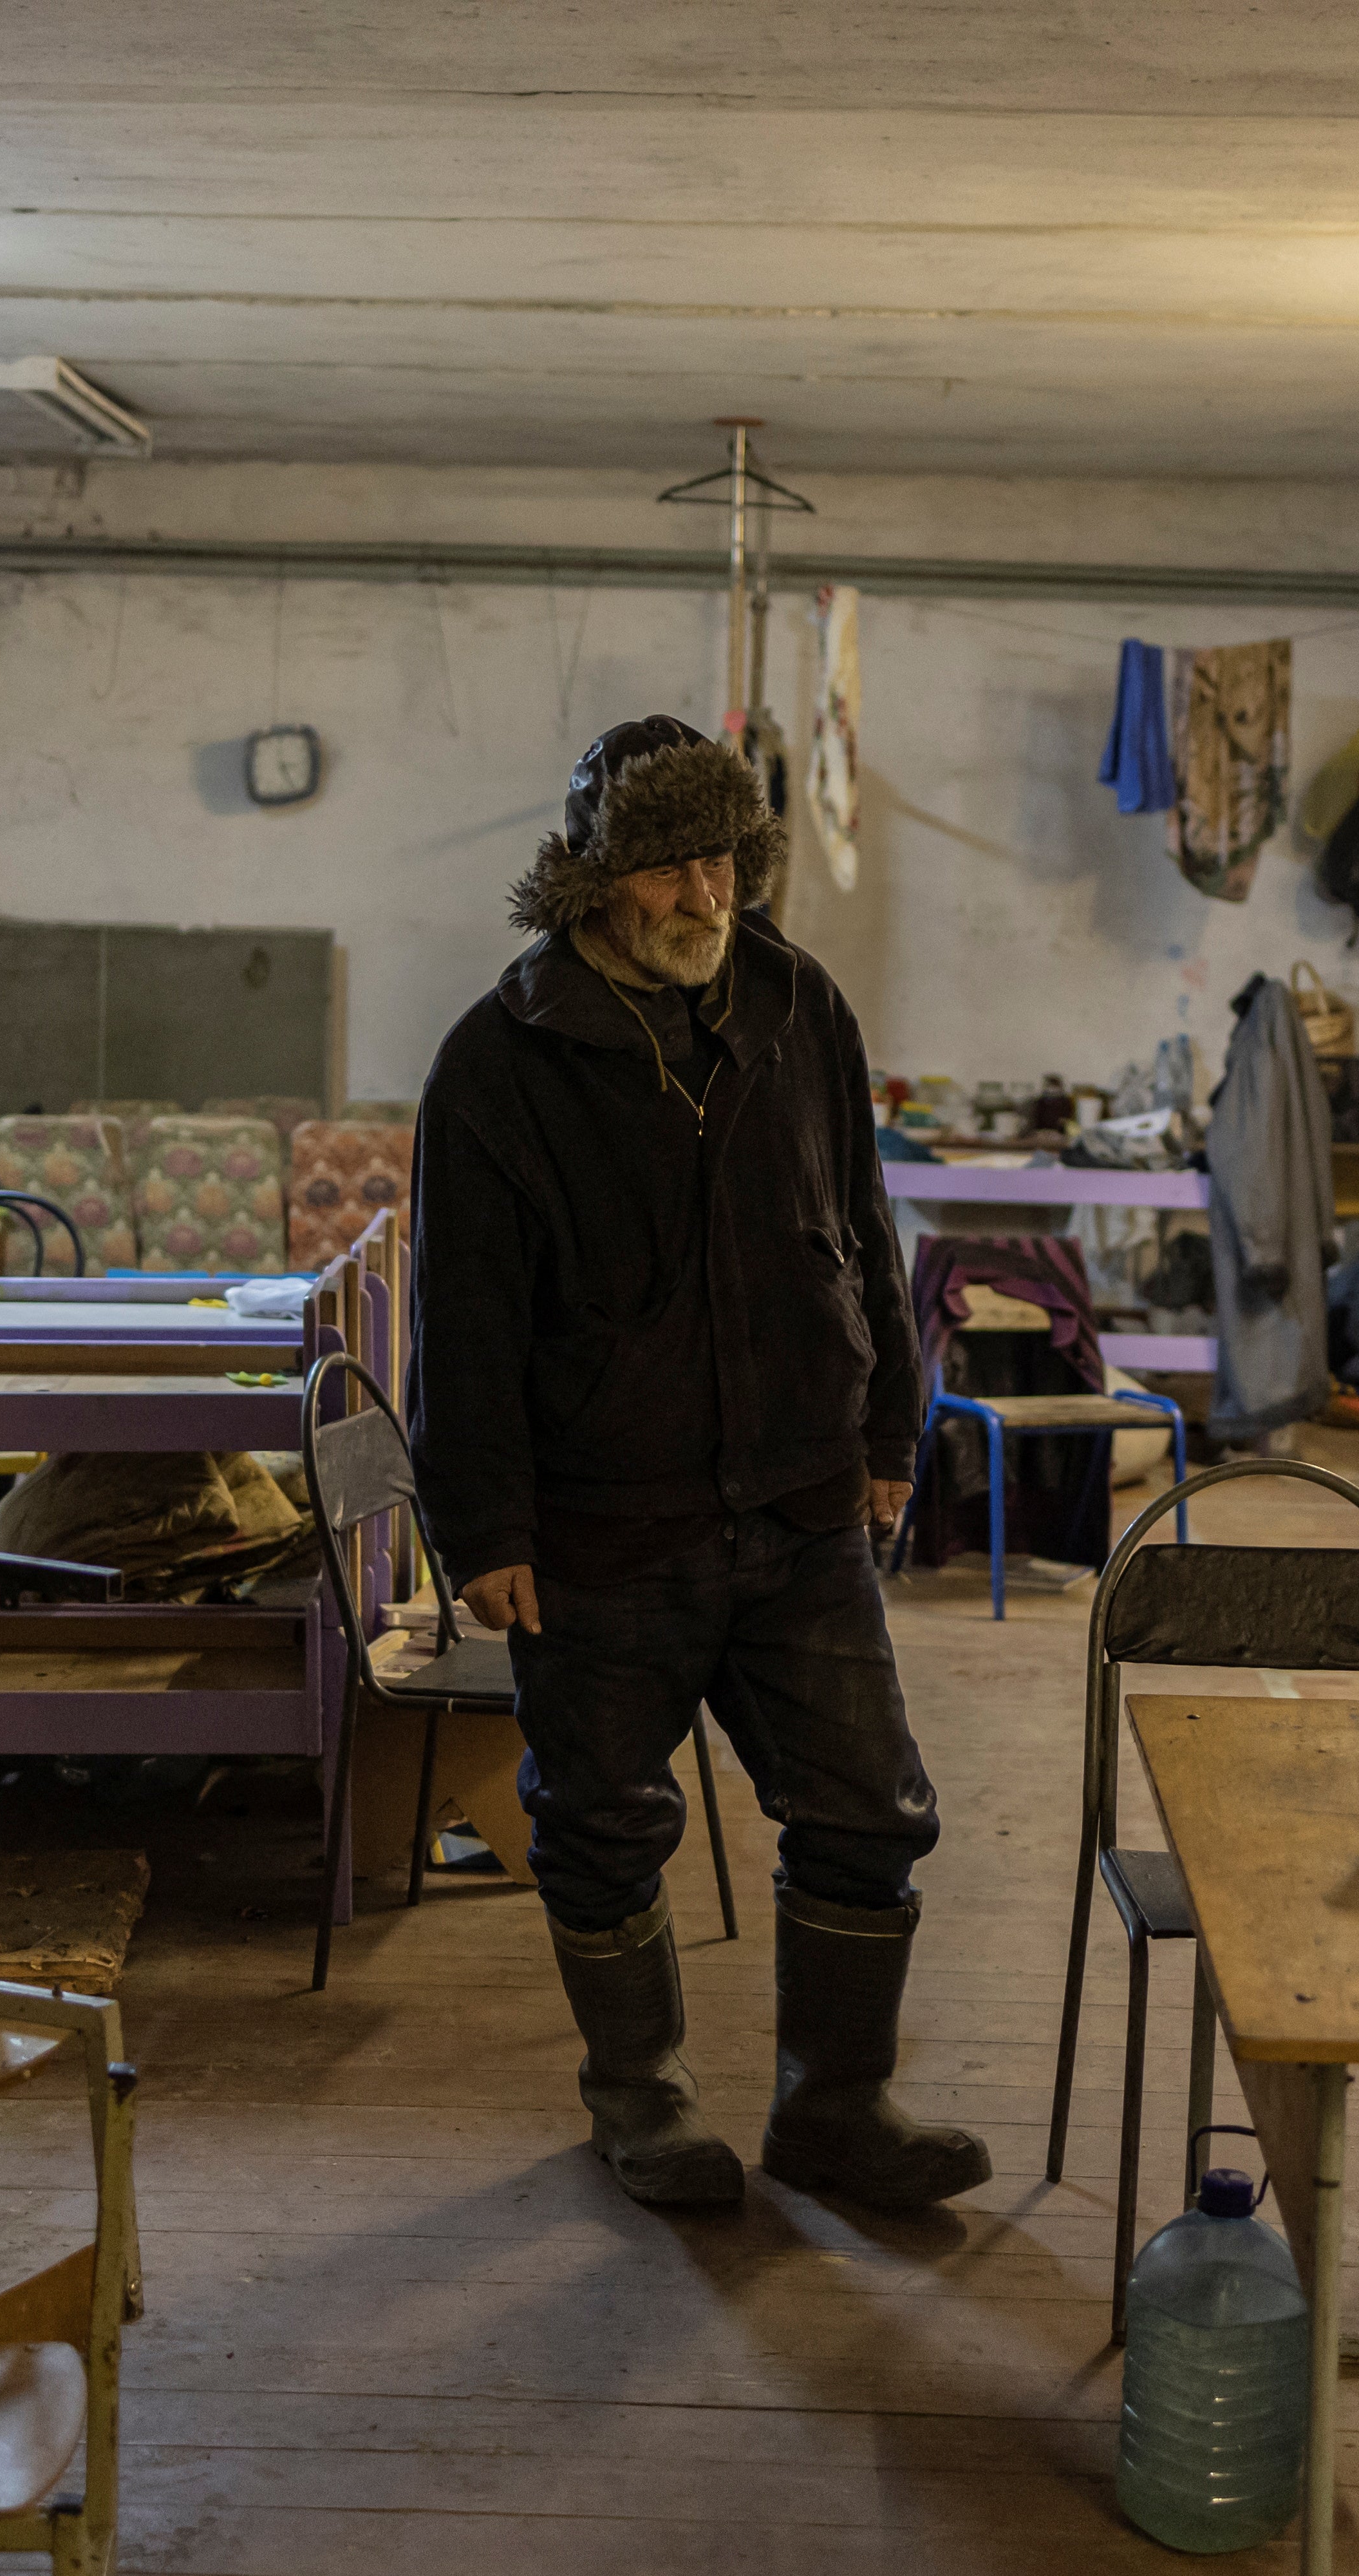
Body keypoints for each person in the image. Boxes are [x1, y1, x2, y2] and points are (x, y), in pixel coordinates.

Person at [408, 713, 988, 2212]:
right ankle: (641, 2099)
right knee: (601, 1824)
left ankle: (836, 2109)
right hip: (605, 1528)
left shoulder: (799, 1002)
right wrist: (485, 1526)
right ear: (595, 876)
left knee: (868, 1810)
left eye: (721, 857)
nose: (702, 893)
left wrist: (885, 1430)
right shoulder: (500, 1059)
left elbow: (862, 1224)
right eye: (666, 864)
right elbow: (462, 1318)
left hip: (801, 1509)